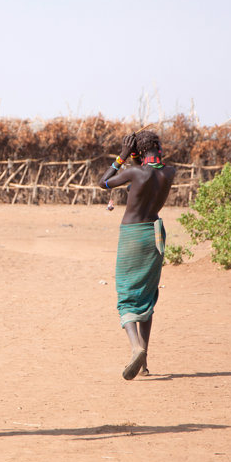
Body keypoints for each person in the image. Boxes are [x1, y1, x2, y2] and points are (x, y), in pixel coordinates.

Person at [98, 130, 176, 380]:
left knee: (127, 294)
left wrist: (121, 157)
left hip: (133, 236)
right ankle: (144, 363)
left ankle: (136, 347)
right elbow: (148, 174)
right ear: (158, 147)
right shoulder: (169, 172)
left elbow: (104, 182)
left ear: (137, 152)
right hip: (156, 235)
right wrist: (136, 158)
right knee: (147, 294)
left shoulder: (134, 171)